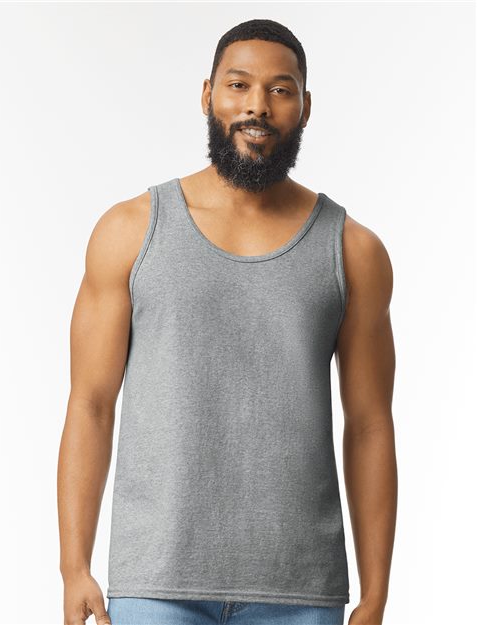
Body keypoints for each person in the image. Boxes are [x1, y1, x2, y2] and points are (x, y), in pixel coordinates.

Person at [57, 18, 397, 625]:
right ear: (208, 94)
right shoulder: (131, 231)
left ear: (305, 106)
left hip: (301, 591)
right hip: (156, 585)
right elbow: (90, 404)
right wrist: (73, 566)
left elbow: (370, 424)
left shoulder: (352, 251)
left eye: (279, 89)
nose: (257, 106)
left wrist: (375, 594)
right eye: (239, 85)